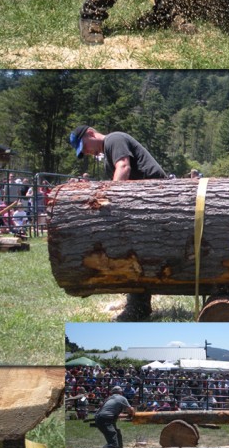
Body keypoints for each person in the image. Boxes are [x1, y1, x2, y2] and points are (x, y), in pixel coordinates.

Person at [69, 125, 166, 317]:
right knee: (135, 251)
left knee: (137, 251)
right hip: (146, 199)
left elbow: (123, 167)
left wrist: (108, 197)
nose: (87, 152)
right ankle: (137, 303)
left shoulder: (114, 139)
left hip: (155, 196)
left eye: (85, 146)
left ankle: (137, 307)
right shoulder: (108, 150)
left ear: (90, 133)